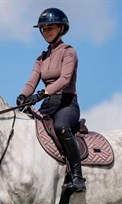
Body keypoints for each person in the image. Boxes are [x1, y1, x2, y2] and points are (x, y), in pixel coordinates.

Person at [16, 8, 86, 192]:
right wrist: (23, 96)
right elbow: (31, 81)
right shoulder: (41, 58)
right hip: (47, 105)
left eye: (50, 28)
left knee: (60, 127)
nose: (46, 32)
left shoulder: (69, 52)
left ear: (61, 28)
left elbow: (64, 79)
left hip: (66, 104)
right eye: (43, 29)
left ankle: (78, 177)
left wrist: (43, 93)